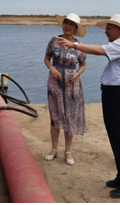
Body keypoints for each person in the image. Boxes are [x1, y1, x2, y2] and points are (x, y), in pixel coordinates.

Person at [57, 14, 120, 199]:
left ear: (118, 29)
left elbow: (99, 50)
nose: (105, 32)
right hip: (115, 95)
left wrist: (74, 45)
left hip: (119, 96)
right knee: (117, 139)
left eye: (108, 28)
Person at [44, 14, 88, 166]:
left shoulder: (79, 45)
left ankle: (68, 151)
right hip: (54, 82)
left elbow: (83, 64)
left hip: (72, 83)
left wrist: (77, 73)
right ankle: (54, 149)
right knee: (54, 116)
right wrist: (52, 69)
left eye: (71, 24)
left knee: (70, 116)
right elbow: (46, 59)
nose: (68, 26)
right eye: (66, 23)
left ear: (76, 28)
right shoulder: (54, 41)